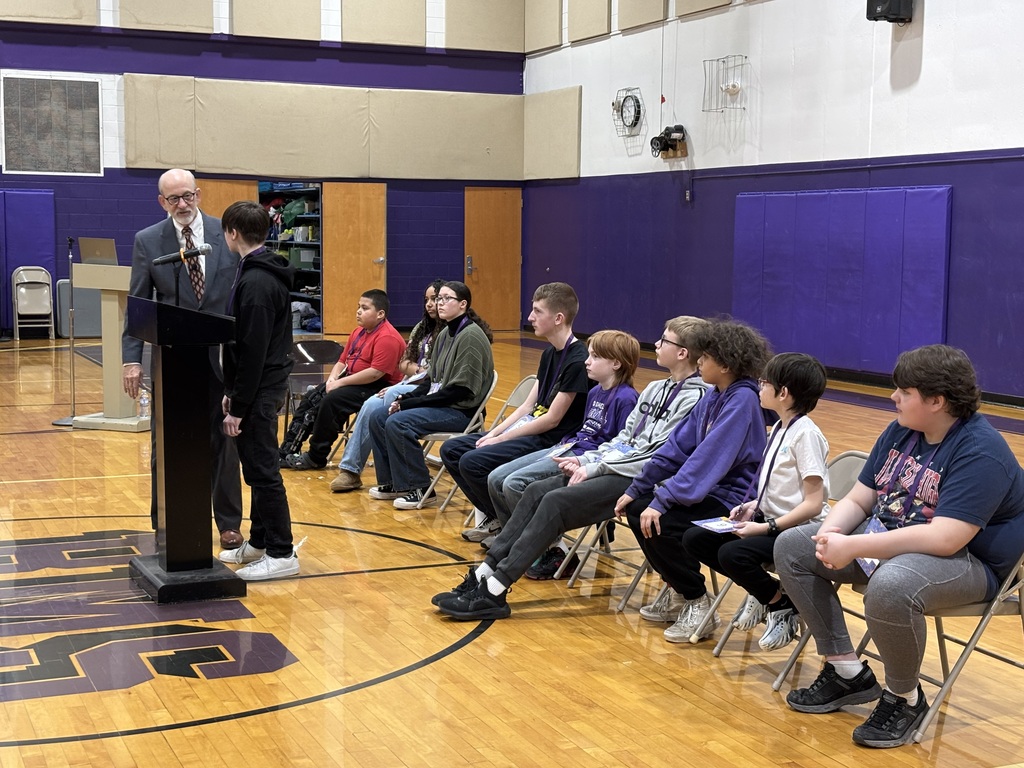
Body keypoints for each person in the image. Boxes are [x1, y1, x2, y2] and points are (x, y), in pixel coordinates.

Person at [774, 345, 1024, 749]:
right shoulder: (900, 431)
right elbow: (859, 499)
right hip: (891, 540)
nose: (892, 398)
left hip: (971, 562)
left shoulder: (981, 450)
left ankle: (905, 698)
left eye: (903, 392)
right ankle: (845, 670)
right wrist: (831, 536)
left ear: (936, 401)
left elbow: (946, 538)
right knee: (794, 546)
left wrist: (853, 546)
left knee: (892, 585)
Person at [433, 316, 710, 619]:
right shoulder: (655, 388)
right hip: (613, 466)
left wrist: (595, 468)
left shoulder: (697, 396)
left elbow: (656, 454)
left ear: (683, 352)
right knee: (536, 491)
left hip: (640, 479)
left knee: (554, 501)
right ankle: (486, 571)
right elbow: (624, 440)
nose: (656, 344)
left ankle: (496, 589)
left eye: (664, 340)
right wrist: (585, 459)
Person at [617, 318, 771, 643]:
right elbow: (676, 448)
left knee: (666, 523)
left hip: (734, 503)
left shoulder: (742, 400)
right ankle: (678, 590)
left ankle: (696, 600)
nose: (698, 362)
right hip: (709, 493)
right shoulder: (715, 395)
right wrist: (638, 489)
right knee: (638, 511)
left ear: (726, 364)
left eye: (705, 357)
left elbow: (706, 461)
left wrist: (662, 500)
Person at [121, 168, 244, 550]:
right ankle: (165, 520)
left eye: (188, 196)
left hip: (223, 359)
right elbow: (138, 304)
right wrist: (131, 359)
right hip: (173, 361)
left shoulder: (226, 234)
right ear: (162, 202)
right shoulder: (148, 240)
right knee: (167, 442)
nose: (182, 204)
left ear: (199, 194)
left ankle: (228, 523)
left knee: (224, 441)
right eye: (173, 199)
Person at [681, 352, 830, 651]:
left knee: (733, 555)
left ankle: (780, 604)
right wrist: (753, 507)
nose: (758, 387)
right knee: (695, 539)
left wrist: (766, 528)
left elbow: (813, 505)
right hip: (771, 520)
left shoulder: (807, 435)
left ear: (783, 393)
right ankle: (766, 591)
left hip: (798, 531)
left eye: (764, 382)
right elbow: (779, 485)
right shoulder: (779, 427)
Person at [441, 282, 593, 543]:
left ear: (558, 318)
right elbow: (527, 407)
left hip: (552, 439)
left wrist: (500, 440)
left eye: (537, 311)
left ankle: (513, 528)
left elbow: (551, 419)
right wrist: (495, 432)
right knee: (453, 450)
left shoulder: (577, 360)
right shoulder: (549, 354)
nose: (530, 317)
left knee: (472, 461)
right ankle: (498, 517)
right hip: (532, 426)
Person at [482, 330, 641, 546]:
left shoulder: (627, 399)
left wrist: (587, 464)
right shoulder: (594, 392)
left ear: (616, 364)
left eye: (595, 356)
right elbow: (586, 431)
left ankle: (543, 545)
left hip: (585, 460)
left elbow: (621, 447)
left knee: (514, 484)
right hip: (567, 447)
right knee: (495, 478)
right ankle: (515, 539)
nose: (587, 361)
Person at [216, 201, 304, 581]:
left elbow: (252, 350)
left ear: (232, 233)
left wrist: (238, 405)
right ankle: (261, 541)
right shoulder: (258, 270)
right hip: (258, 386)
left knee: (264, 471)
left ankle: (283, 554)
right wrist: (232, 389)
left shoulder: (256, 282)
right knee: (255, 469)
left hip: (261, 389)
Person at [367, 280, 494, 509]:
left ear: (463, 304)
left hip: (462, 411)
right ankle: (394, 483)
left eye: (447, 298)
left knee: (398, 423)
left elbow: (459, 390)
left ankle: (421, 488)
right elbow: (432, 381)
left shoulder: (471, 337)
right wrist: (405, 399)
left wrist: (412, 404)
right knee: (378, 416)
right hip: (444, 404)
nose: (439, 303)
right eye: (438, 298)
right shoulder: (445, 333)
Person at [329, 279, 445, 493]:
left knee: (374, 404)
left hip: (433, 389)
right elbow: (403, 363)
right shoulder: (421, 328)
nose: (430, 304)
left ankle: (351, 470)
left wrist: (419, 373)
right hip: (411, 382)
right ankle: (376, 471)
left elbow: (438, 373)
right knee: (374, 405)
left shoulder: (451, 331)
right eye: (427, 299)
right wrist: (418, 372)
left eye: (435, 299)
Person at [283, 289, 406, 470]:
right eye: (358, 307)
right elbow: (342, 361)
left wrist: (339, 384)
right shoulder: (358, 332)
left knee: (332, 401)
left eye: (365, 308)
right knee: (312, 398)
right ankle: (286, 450)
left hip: (379, 387)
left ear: (380, 314)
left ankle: (316, 456)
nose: (358, 311)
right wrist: (332, 379)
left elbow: (375, 373)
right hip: (352, 380)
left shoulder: (388, 337)